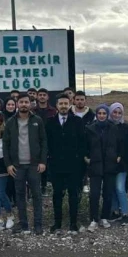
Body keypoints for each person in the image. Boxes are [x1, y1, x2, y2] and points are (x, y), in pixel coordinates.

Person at [3, 95, 48, 235]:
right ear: (17, 104)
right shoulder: (10, 122)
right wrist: (8, 164)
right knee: (20, 195)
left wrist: (43, 161)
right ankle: (23, 224)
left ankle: (38, 224)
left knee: (37, 195)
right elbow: (6, 144)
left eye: (26, 102)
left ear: (30, 104)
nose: (24, 104)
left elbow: (43, 141)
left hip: (34, 165)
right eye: (21, 102)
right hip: (17, 166)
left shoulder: (37, 120)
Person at [46, 94, 85, 234]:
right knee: (57, 195)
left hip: (73, 165)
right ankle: (57, 223)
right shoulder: (50, 122)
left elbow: (82, 142)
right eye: (61, 103)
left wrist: (80, 159)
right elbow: (47, 142)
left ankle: (73, 223)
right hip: (56, 165)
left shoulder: (77, 121)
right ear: (56, 105)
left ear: (70, 105)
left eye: (66, 103)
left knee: (73, 195)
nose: (63, 106)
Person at [84, 104, 121, 232]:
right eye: (99, 113)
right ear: (96, 114)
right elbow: (85, 145)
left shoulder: (113, 128)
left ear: (107, 114)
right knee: (94, 194)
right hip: (95, 165)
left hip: (110, 164)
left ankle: (105, 217)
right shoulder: (90, 128)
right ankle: (94, 219)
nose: (101, 115)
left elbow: (119, 143)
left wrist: (118, 156)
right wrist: (86, 157)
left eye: (104, 113)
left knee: (108, 193)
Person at [109, 102, 128, 225]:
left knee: (120, 188)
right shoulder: (107, 126)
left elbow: (127, 145)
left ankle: (125, 213)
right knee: (112, 188)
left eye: (119, 113)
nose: (117, 115)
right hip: (109, 163)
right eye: (114, 112)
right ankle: (115, 210)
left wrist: (120, 156)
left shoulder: (125, 127)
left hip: (122, 163)